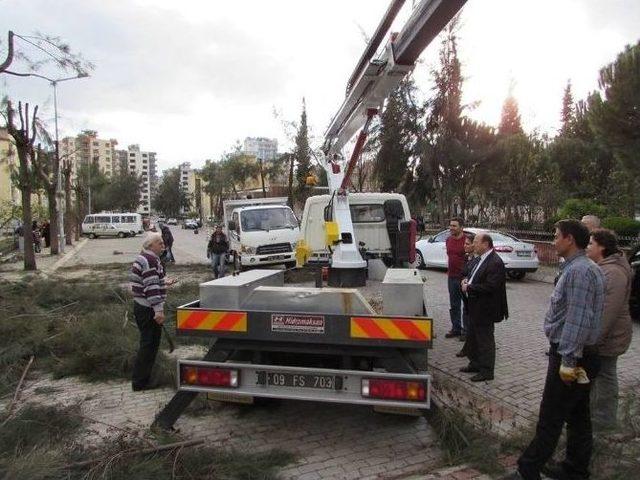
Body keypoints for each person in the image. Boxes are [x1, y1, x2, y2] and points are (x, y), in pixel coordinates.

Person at [503, 219, 605, 480]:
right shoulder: (578, 268)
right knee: (578, 417)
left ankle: (527, 471)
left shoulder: (580, 271)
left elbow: (577, 319)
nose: (553, 240)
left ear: (570, 239)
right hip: (578, 354)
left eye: (556, 235)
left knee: (551, 417)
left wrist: (568, 361)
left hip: (572, 356)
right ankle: (575, 469)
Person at [586, 229, 633, 432]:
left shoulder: (612, 272)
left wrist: (594, 339)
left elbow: (607, 311)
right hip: (605, 336)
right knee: (600, 375)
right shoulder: (605, 267)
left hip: (610, 337)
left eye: (591, 244)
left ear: (602, 247)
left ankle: (604, 420)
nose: (587, 247)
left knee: (605, 375)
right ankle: (596, 413)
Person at [460, 233, 508, 381]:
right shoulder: (480, 259)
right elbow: (472, 274)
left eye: (475, 242)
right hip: (474, 306)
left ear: (486, 244)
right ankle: (475, 363)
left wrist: (470, 288)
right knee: (473, 337)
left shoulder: (495, 262)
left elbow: (491, 286)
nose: (473, 244)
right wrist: (466, 280)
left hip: (485, 309)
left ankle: (487, 371)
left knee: (485, 340)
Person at [130, 233, 174, 391]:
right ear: (150, 245)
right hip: (148, 309)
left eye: (163, 243)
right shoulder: (149, 261)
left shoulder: (145, 258)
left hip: (142, 306)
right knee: (149, 345)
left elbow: (150, 281)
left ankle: (142, 377)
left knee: (148, 344)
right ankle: (140, 382)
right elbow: (151, 288)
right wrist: (158, 311)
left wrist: (163, 282)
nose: (163, 246)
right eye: (159, 243)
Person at [457, 233, 478, 359]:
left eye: (467, 244)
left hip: (473, 296)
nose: (464, 246)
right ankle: (467, 346)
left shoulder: (477, 260)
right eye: (464, 243)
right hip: (466, 296)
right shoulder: (467, 258)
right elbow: (464, 272)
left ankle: (469, 348)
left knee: (472, 323)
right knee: (466, 318)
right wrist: (464, 278)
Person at [445, 217, 466, 339]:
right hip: (451, 277)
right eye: (451, 225)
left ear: (461, 227)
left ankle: (466, 331)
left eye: (454, 226)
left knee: (466, 305)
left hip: (464, 278)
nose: (451, 228)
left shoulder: (466, 241)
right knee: (454, 304)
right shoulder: (448, 240)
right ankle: (456, 328)